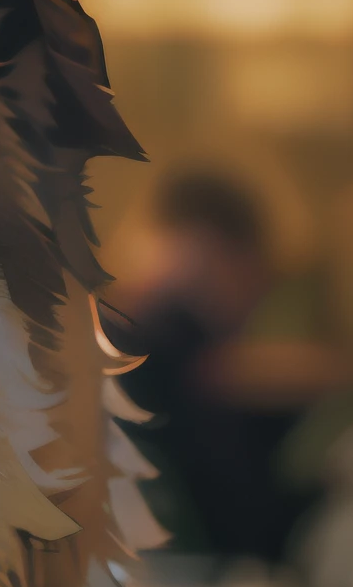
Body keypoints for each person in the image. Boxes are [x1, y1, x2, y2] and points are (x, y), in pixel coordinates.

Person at [107, 170, 298, 561]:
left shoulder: (122, 335)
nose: (257, 301)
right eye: (257, 277)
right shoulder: (174, 341)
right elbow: (240, 524)